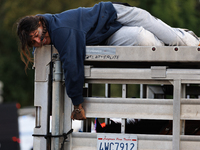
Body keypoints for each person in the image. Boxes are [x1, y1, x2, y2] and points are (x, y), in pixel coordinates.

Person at [16, 2, 200, 120]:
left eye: (37, 36)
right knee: (146, 41)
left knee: (175, 41)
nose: (39, 42)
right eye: (33, 42)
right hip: (107, 35)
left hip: (116, 14)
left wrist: (77, 105)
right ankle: (177, 36)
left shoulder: (60, 31)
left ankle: (192, 40)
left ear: (40, 25)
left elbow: (72, 66)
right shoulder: (47, 29)